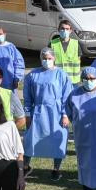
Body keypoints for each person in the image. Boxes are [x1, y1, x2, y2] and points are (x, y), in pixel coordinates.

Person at [22, 47, 72, 181]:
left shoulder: (61, 75)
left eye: (49, 58)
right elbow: (27, 97)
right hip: (38, 112)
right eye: (44, 58)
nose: (47, 61)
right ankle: (26, 166)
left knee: (57, 140)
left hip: (56, 112)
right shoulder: (32, 75)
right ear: (40, 59)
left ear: (54, 58)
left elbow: (67, 97)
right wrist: (27, 114)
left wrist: (65, 114)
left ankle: (56, 169)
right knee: (30, 140)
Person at [0, 26, 26, 92]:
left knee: (10, 100)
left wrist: (17, 78)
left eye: (0, 34)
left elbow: (18, 63)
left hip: (9, 81)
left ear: (4, 34)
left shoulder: (11, 48)